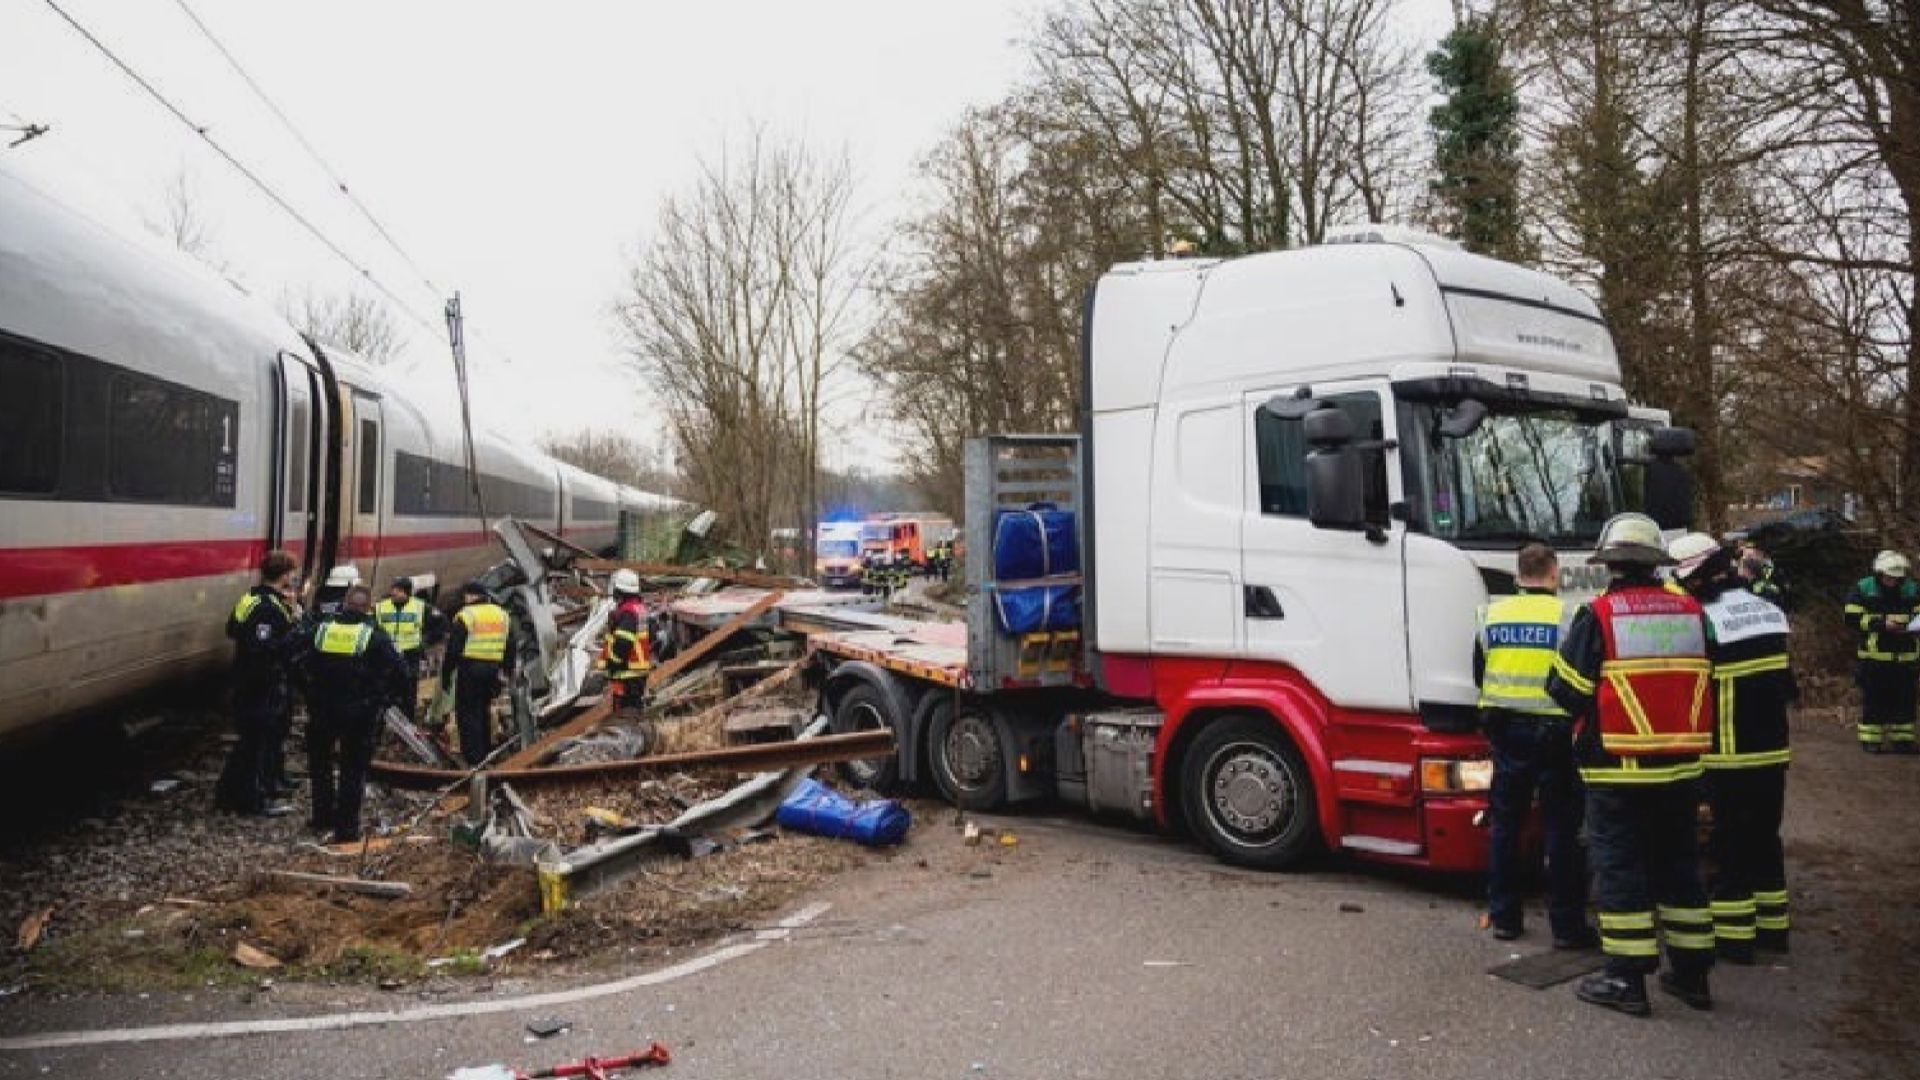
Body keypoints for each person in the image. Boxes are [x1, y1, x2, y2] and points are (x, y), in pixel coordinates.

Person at [1547, 513, 1716, 1017]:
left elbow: (1566, 690)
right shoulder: (1692, 612)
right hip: (1682, 767)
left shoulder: (1599, 616)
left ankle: (1625, 979)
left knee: (1620, 869)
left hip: (1617, 769)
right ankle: (1691, 976)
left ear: (1612, 564)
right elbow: (1711, 673)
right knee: (1680, 867)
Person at [1669, 533, 1797, 961]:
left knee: (1729, 845)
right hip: (1772, 750)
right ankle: (1773, 928)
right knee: (1765, 838)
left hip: (1729, 752)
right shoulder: (1767, 608)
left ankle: (1734, 939)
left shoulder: (1705, 619)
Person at [1474, 542, 1594, 947]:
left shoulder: (1491, 614)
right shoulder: (1569, 615)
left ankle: (1505, 917)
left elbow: (1481, 670)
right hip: (1556, 735)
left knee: (1506, 827)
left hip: (1505, 732)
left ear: (1518, 574)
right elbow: (1581, 681)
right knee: (1561, 830)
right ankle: (1567, 927)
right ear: (1554, 573)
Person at [291, 584, 409, 843]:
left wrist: (307, 690)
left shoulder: (321, 629)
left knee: (320, 763)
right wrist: (383, 699)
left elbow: (292, 654)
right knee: (352, 768)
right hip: (360, 712)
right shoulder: (375, 636)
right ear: (368, 608)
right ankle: (347, 828)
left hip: (322, 707)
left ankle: (322, 816)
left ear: (344, 603)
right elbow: (402, 673)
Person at [215, 550, 301, 817]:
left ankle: (230, 794)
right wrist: (292, 634)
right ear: (285, 574)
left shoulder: (250, 598)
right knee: (255, 743)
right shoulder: (268, 607)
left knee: (250, 741)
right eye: (291, 573)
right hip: (260, 683)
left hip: (248, 680)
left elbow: (232, 629)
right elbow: (263, 647)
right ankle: (252, 800)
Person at [1844, 551, 1920, 753]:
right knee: (1874, 700)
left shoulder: (1912, 588)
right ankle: (1871, 740)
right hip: (1874, 657)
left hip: (1906, 657)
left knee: (1905, 701)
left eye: (1896, 577)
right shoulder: (1863, 588)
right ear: (1879, 573)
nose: (1892, 581)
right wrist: (1880, 624)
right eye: (1889, 577)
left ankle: (1903, 740)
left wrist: (1912, 624)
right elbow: (1851, 617)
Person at [442, 580, 514, 767]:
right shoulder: (502, 615)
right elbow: (510, 645)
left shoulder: (466, 615)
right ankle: (486, 749)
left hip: (471, 668)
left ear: (471, 595)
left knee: (468, 712)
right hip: (492, 669)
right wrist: (507, 669)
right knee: (484, 709)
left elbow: (453, 649)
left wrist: (446, 674)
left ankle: (474, 757)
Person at [373, 577, 445, 723]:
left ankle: (406, 724)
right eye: (393, 589)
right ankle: (381, 725)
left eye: (398, 590)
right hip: (387, 656)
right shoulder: (380, 607)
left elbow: (441, 624)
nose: (394, 592)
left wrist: (425, 642)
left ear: (407, 593)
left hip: (409, 655)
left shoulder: (421, 607)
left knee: (408, 693)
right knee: (384, 691)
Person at [603, 568, 654, 715]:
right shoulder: (639, 609)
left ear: (619, 590)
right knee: (634, 711)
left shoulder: (627, 613)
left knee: (626, 714)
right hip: (637, 673)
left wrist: (613, 664)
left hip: (627, 674)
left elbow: (623, 643)